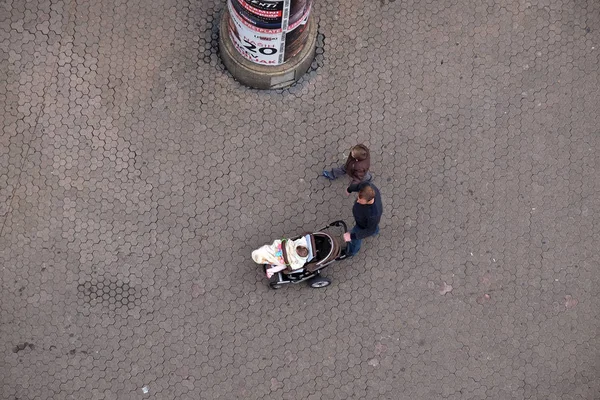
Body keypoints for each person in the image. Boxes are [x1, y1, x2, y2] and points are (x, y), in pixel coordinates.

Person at [342, 183, 383, 257]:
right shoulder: (367, 187)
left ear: (369, 200)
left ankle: (351, 252)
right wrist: (349, 189)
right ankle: (375, 231)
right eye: (358, 198)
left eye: (360, 201)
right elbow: (358, 185)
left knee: (359, 236)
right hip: (367, 221)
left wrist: (351, 236)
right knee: (373, 227)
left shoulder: (373, 214)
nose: (357, 201)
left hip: (362, 225)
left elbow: (369, 230)